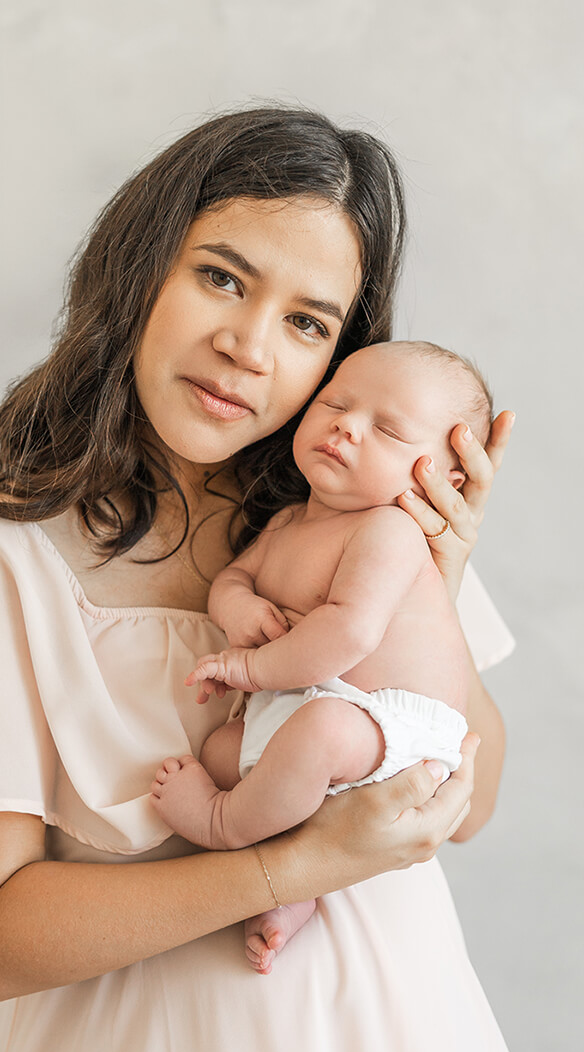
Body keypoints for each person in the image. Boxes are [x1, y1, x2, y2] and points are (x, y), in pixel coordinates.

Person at [0, 107, 551, 1052]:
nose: (249, 347)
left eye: (308, 324)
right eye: (220, 277)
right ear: (137, 267)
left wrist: (434, 575)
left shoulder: (352, 521)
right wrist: (283, 867)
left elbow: (470, 796)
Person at [150, 340, 490, 973]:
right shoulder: (284, 524)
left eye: (387, 429)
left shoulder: (388, 533)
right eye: (335, 402)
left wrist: (246, 667)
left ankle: (224, 825)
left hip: (392, 727)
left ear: (445, 479)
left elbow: (350, 631)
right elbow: (231, 579)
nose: (346, 427)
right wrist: (239, 609)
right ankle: (298, 884)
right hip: (312, 705)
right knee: (227, 751)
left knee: (319, 736)